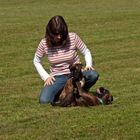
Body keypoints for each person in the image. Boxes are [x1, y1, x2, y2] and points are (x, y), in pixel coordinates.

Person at [33, 15, 99, 104]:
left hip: (76, 74)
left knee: (93, 75)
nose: (59, 37)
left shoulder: (73, 37)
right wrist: (46, 77)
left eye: (61, 34)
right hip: (57, 77)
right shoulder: (44, 43)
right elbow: (36, 60)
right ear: (50, 33)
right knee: (44, 100)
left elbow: (86, 51)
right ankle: (66, 92)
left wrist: (88, 65)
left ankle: (82, 90)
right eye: (56, 34)